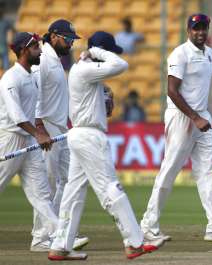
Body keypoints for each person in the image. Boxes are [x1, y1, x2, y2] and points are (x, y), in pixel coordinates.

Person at [48, 31, 163, 261]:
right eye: (108, 51)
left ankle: (60, 245)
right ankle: (133, 242)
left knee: (73, 194)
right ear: (101, 51)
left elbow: (102, 105)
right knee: (111, 189)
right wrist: (95, 50)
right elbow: (121, 64)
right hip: (90, 137)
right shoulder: (85, 68)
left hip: (81, 135)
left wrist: (104, 98)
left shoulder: (87, 73)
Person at [140, 13, 212, 242]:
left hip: (202, 117)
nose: (200, 32)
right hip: (182, 117)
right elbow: (172, 91)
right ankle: (148, 224)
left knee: (210, 170)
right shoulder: (180, 54)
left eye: (204, 28)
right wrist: (194, 118)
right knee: (170, 170)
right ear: (188, 31)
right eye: (196, 29)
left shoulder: (209, 54)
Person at [30, 18, 88, 252]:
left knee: (68, 181)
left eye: (73, 40)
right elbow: (33, 94)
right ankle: (41, 238)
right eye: (67, 39)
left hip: (61, 130)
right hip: (47, 130)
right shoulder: (42, 59)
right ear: (53, 36)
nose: (71, 44)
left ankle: (60, 231)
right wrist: (39, 128)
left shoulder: (56, 61)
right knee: (50, 185)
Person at [0, 32, 58, 249]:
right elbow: (17, 116)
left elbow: (33, 110)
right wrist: (38, 134)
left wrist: (39, 129)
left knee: (41, 193)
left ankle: (52, 237)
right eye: (35, 47)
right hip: (11, 139)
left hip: (30, 142)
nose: (40, 50)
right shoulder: (10, 79)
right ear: (23, 50)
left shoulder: (31, 75)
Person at [0, 3, 15, 69]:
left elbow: (11, 31)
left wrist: (9, 39)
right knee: (5, 63)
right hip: (3, 45)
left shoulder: (6, 22)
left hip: (3, 45)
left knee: (6, 64)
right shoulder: (6, 22)